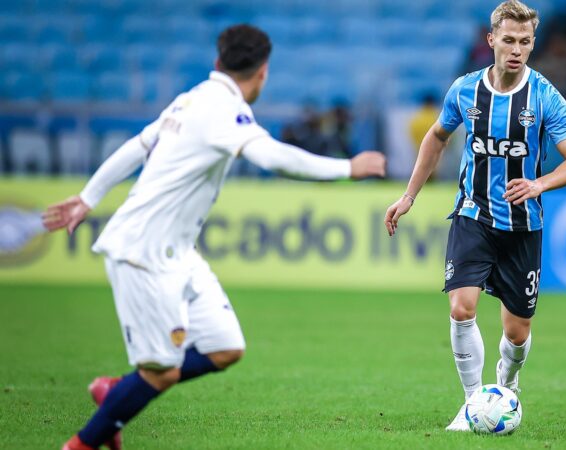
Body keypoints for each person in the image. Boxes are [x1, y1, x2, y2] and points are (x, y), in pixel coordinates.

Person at [45, 24, 385, 450]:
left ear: (217, 61)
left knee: (225, 346)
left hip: (178, 252)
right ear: (262, 72)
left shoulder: (191, 99)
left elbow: (138, 145)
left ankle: (117, 393)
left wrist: (87, 197)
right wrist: (346, 168)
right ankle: (81, 444)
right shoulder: (223, 110)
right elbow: (271, 156)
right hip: (142, 251)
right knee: (162, 371)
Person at [384, 0, 566, 432]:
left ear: (533, 44)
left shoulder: (545, 96)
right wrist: (409, 195)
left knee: (516, 334)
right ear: (491, 40)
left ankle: (507, 382)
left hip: (522, 226)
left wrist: (538, 184)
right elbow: (435, 139)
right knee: (461, 308)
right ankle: (472, 402)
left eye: (525, 42)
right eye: (509, 40)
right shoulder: (464, 90)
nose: (517, 49)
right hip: (472, 214)